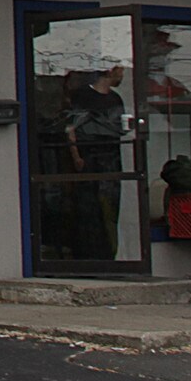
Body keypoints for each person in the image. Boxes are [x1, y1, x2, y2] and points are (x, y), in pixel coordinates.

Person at [65, 63, 129, 260]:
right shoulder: (83, 96)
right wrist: (76, 155)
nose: (123, 74)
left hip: (111, 157)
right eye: (121, 69)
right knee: (88, 206)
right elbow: (70, 128)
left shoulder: (116, 99)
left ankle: (108, 254)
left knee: (109, 206)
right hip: (89, 156)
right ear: (110, 70)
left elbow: (120, 126)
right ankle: (86, 255)